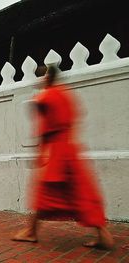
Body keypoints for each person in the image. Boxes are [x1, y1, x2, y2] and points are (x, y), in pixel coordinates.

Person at [12, 66, 114, 249]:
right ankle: (103, 235)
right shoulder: (65, 95)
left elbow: (43, 130)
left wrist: (38, 153)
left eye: (41, 77)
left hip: (56, 153)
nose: (39, 81)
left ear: (47, 78)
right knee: (81, 193)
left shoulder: (45, 97)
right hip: (70, 150)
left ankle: (30, 232)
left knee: (43, 194)